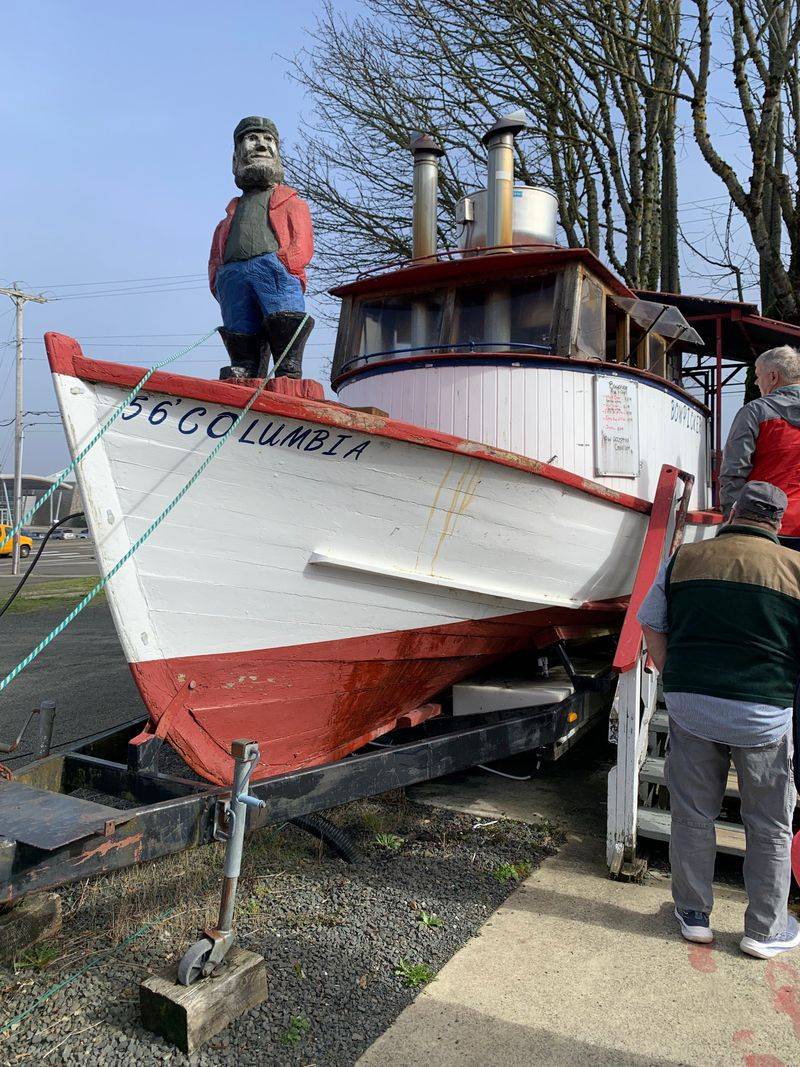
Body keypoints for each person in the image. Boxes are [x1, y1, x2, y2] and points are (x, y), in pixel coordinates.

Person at [637, 481, 800, 959]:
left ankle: (693, 915)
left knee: (693, 813)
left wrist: (676, 674)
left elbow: (650, 621)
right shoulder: (795, 570)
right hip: (763, 715)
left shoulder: (685, 559)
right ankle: (764, 930)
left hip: (693, 707)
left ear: (733, 513)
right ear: (778, 523)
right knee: (768, 822)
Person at [208, 116, 315, 381]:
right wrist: (218, 277)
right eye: (252, 139)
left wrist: (286, 262)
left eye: (268, 140)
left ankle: (287, 366)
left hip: (274, 268)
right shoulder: (229, 215)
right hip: (232, 274)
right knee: (239, 323)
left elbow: (302, 240)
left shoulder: (291, 203)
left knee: (283, 317)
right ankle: (244, 365)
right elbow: (214, 253)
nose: (261, 145)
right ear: (237, 155)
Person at [720, 345, 800, 549]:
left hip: (765, 527)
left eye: (758, 375)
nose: (756, 382)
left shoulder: (755, 411)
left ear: (773, 376)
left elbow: (733, 472)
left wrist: (734, 521)